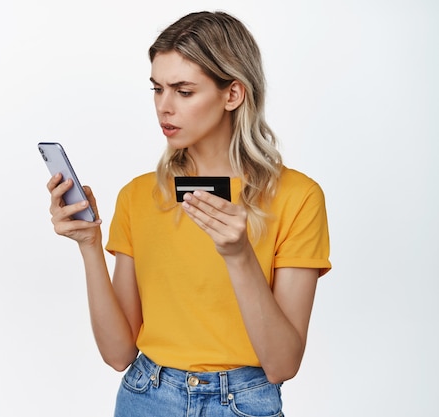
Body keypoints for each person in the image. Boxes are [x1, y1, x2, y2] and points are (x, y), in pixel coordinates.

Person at [46, 10, 331, 417]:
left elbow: (283, 364)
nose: (164, 107)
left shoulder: (297, 197)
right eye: (157, 89)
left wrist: (239, 256)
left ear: (232, 94)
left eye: (183, 91)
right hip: (145, 396)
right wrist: (89, 244)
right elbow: (118, 354)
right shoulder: (139, 195)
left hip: (243, 403)